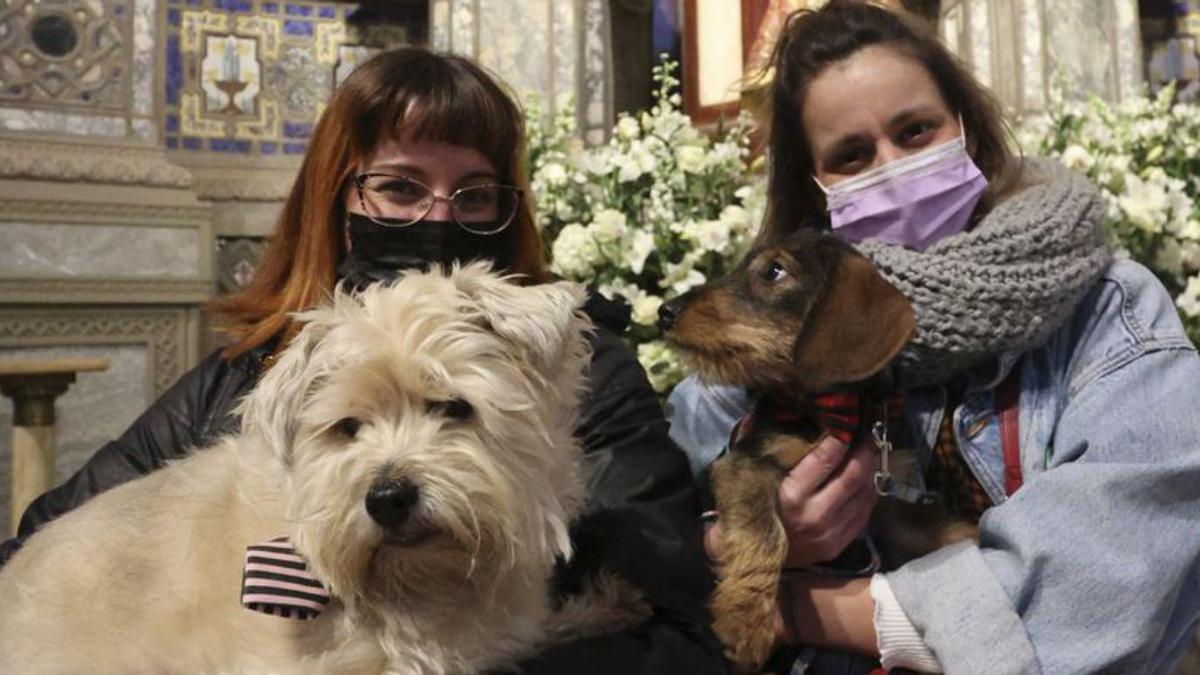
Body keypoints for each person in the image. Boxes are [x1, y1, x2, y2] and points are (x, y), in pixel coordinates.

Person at [0, 48, 727, 674]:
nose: (439, 217)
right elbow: (48, 534)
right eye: (400, 186)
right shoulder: (246, 374)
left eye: (473, 194)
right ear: (337, 195)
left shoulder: (571, 365)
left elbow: (680, 641)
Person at [667, 1, 1200, 673]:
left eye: (915, 132)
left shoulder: (1109, 313)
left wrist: (800, 605)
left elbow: (1103, 596)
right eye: (851, 155)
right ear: (817, 190)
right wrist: (748, 541)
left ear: (967, 133)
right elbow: (657, 530)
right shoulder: (773, 344)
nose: (891, 167)